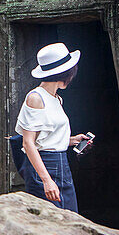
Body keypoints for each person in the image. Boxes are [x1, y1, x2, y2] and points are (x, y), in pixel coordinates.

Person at [9, 42, 92, 212]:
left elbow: (46, 138)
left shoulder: (56, 98)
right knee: (49, 221)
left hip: (61, 163)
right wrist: (46, 180)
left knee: (70, 219)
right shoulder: (35, 98)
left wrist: (72, 141)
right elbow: (28, 143)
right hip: (45, 164)